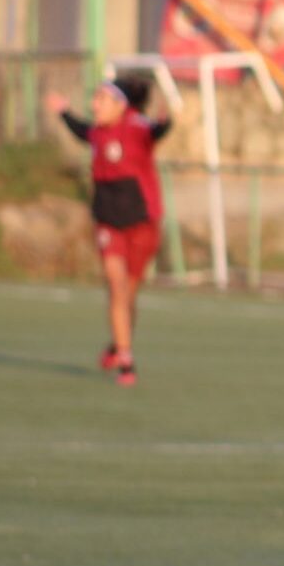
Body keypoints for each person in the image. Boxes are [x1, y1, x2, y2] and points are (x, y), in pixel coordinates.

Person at [47, 78, 171, 387]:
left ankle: (118, 343)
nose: (94, 105)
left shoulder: (137, 128)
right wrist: (63, 111)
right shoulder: (97, 133)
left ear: (120, 105)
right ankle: (126, 361)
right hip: (108, 221)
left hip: (142, 221)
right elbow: (80, 130)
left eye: (100, 99)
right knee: (116, 287)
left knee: (128, 292)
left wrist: (165, 121)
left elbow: (157, 130)